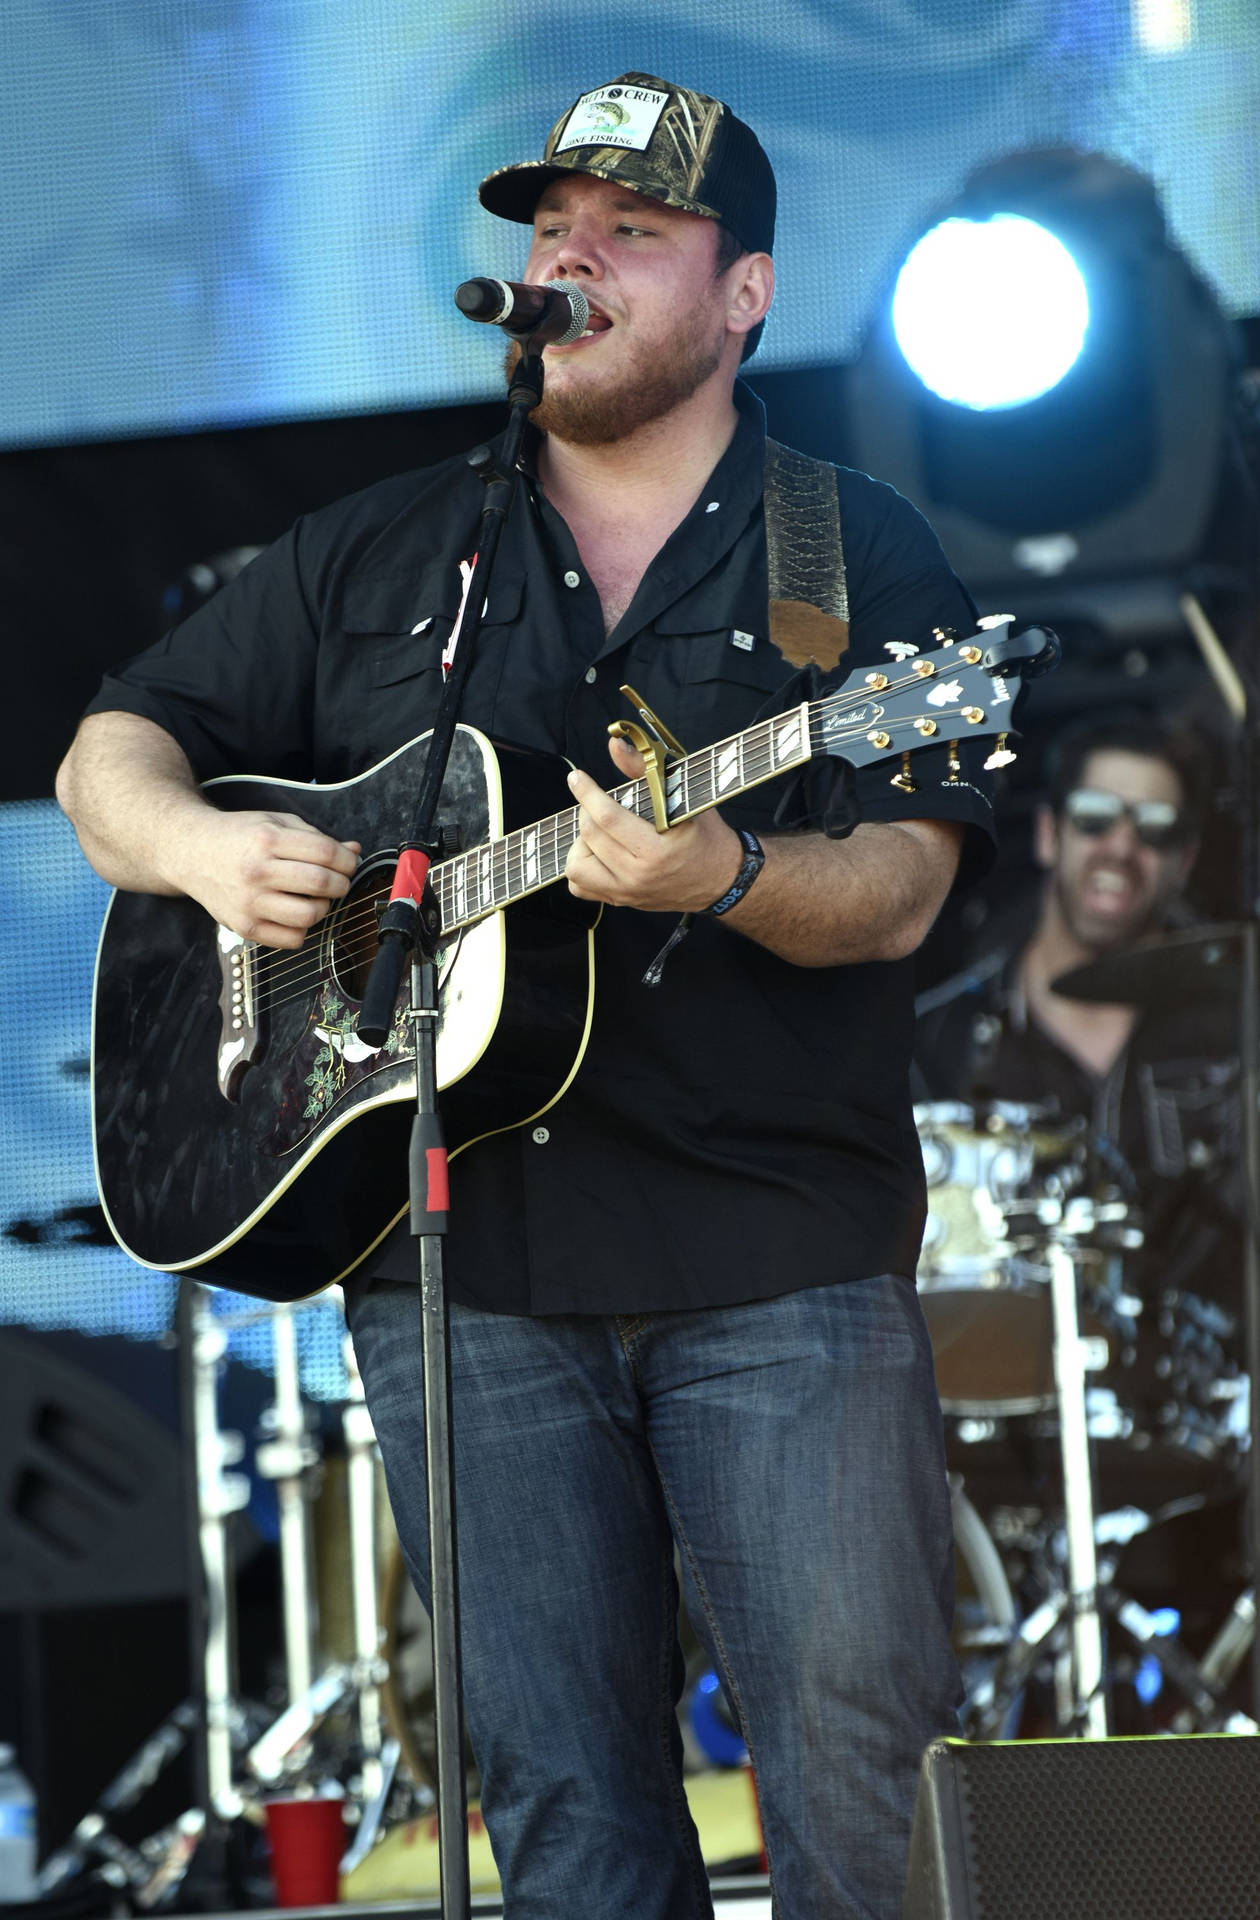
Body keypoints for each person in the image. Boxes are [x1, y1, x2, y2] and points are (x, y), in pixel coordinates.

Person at [58, 72, 997, 1920]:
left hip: (776, 1254)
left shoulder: (852, 553)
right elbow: (113, 749)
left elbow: (901, 885)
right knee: (566, 1816)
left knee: (859, 1788)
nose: (571, 257)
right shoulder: (388, 545)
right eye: (553, 228)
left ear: (744, 297)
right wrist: (199, 855)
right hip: (461, 1271)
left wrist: (720, 872)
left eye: (633, 233)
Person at [915, 714, 1239, 1312]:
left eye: (1156, 829)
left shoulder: (1236, 1032)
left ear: (1185, 860)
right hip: (994, 1377)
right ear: (1048, 834)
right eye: (1094, 818)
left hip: (1192, 1378)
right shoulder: (937, 1035)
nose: (1121, 847)